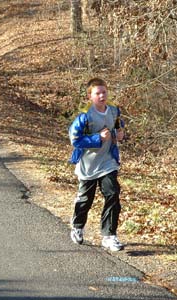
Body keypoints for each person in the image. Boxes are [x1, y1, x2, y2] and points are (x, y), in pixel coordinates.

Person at [68, 77, 125, 251]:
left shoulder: (114, 111)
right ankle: (77, 226)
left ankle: (109, 236)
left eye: (104, 92)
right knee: (86, 200)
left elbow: (119, 127)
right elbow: (74, 139)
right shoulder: (85, 115)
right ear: (90, 96)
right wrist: (97, 138)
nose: (102, 96)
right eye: (97, 93)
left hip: (108, 162)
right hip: (88, 165)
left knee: (113, 194)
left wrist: (120, 135)